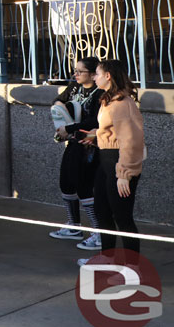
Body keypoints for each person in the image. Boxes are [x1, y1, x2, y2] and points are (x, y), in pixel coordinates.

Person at [78, 60, 145, 266]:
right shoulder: (109, 100)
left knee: (122, 217)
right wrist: (95, 135)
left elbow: (131, 139)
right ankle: (106, 260)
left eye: (97, 73)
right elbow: (111, 131)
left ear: (108, 76)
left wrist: (125, 173)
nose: (94, 77)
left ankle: (133, 268)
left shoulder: (122, 103)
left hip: (118, 162)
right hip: (106, 161)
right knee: (103, 212)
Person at [48, 56, 103, 250]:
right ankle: (73, 225)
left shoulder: (100, 93)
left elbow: (95, 121)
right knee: (66, 181)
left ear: (92, 73)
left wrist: (72, 127)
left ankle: (98, 232)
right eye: (75, 70)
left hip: (89, 144)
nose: (76, 74)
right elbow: (58, 100)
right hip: (72, 141)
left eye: (80, 71)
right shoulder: (74, 88)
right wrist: (61, 109)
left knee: (85, 185)